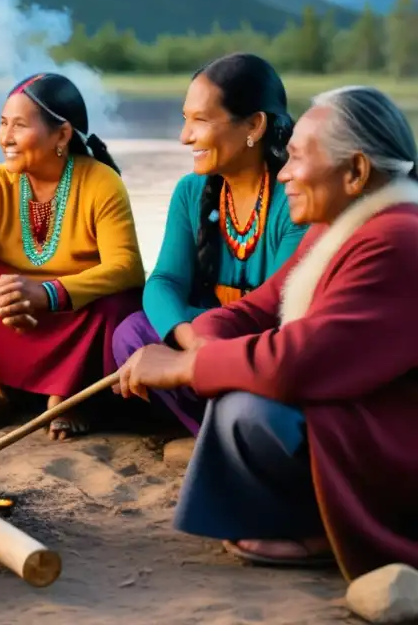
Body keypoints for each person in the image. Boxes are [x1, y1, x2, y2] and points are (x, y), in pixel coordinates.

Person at [115, 86, 418, 579]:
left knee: (246, 409)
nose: (284, 174)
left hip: (396, 437)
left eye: (297, 158)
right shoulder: (339, 223)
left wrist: (186, 365)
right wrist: (207, 341)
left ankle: (322, 530)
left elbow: (301, 361)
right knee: (225, 377)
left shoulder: (397, 239)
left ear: (356, 171)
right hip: (355, 409)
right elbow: (260, 308)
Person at [0, 72, 145, 440]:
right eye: (2, 124)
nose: (5, 137)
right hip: (8, 307)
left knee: (118, 306)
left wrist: (49, 294)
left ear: (61, 135)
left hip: (71, 311)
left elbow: (127, 268)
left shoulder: (101, 182)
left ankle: (70, 395)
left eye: (19, 125)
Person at [111, 53, 306, 435]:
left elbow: (277, 311)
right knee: (131, 334)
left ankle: (218, 439)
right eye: (186, 119)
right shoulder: (191, 191)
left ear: (254, 124)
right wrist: (190, 339)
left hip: (260, 349)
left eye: (200, 120)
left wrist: (206, 350)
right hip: (205, 342)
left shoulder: (296, 198)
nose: (185, 137)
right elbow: (164, 281)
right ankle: (213, 435)